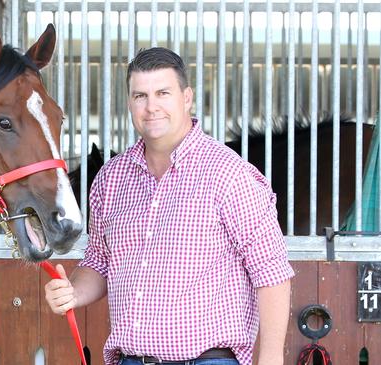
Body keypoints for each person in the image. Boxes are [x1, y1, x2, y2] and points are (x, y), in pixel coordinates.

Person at [44, 47, 294, 365]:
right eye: (140, 96)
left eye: (163, 93)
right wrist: (73, 292)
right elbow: (100, 263)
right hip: (130, 359)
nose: (151, 107)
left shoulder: (229, 174)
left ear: (186, 97)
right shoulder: (111, 178)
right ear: (130, 102)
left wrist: (271, 358)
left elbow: (271, 271)